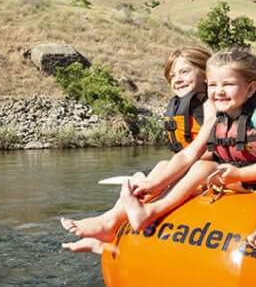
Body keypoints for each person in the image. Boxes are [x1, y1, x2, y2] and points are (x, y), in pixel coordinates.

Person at [120, 49, 256, 255]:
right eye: (213, 85)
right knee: (201, 165)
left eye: (228, 84)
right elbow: (188, 155)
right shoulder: (215, 117)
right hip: (235, 178)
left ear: (250, 89)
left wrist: (240, 174)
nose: (219, 91)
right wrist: (155, 184)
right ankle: (152, 211)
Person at [60, 45, 213, 253]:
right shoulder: (185, 105)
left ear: (205, 73)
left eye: (185, 71)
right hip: (191, 164)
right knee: (161, 165)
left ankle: (111, 224)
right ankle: (109, 227)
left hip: (209, 169)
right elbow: (185, 153)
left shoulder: (212, 104)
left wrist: (159, 181)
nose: (177, 79)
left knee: (169, 171)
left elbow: (209, 150)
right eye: (172, 75)